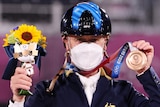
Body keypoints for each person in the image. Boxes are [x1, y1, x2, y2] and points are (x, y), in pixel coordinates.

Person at [8, 2, 160, 107]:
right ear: (65, 42)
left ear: (105, 42)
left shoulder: (124, 92)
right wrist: (18, 100)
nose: (87, 47)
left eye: (94, 40)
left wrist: (145, 72)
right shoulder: (47, 92)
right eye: (80, 40)